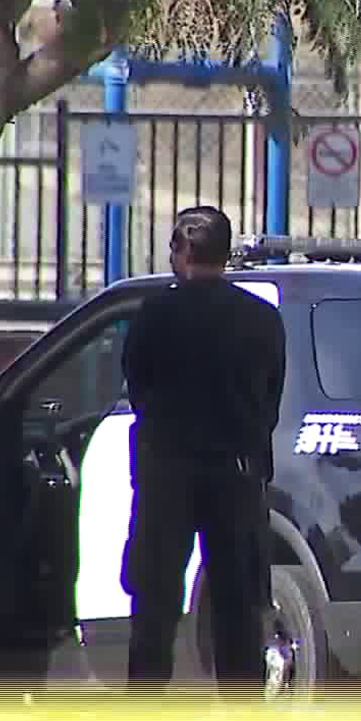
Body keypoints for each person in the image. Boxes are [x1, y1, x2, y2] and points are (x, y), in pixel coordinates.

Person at [119, 205, 286, 691]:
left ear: (181, 251)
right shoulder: (261, 318)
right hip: (237, 474)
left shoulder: (157, 313)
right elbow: (271, 395)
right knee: (237, 602)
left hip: (168, 473)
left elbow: (138, 386)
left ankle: (145, 710)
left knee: (155, 602)